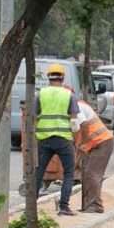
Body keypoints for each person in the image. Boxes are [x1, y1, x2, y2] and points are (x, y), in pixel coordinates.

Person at [34, 63, 80, 216]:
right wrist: (75, 136)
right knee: (68, 174)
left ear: (49, 77)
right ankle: (63, 207)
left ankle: (31, 204)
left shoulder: (40, 94)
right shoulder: (69, 95)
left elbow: (34, 116)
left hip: (44, 138)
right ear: (62, 78)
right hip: (63, 139)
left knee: (39, 171)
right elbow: (74, 121)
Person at [73, 101, 114, 213]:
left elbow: (83, 125)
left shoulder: (76, 106)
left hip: (101, 142)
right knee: (86, 173)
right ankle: (87, 206)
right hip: (94, 143)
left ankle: (95, 206)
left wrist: (82, 145)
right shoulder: (74, 105)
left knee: (92, 173)